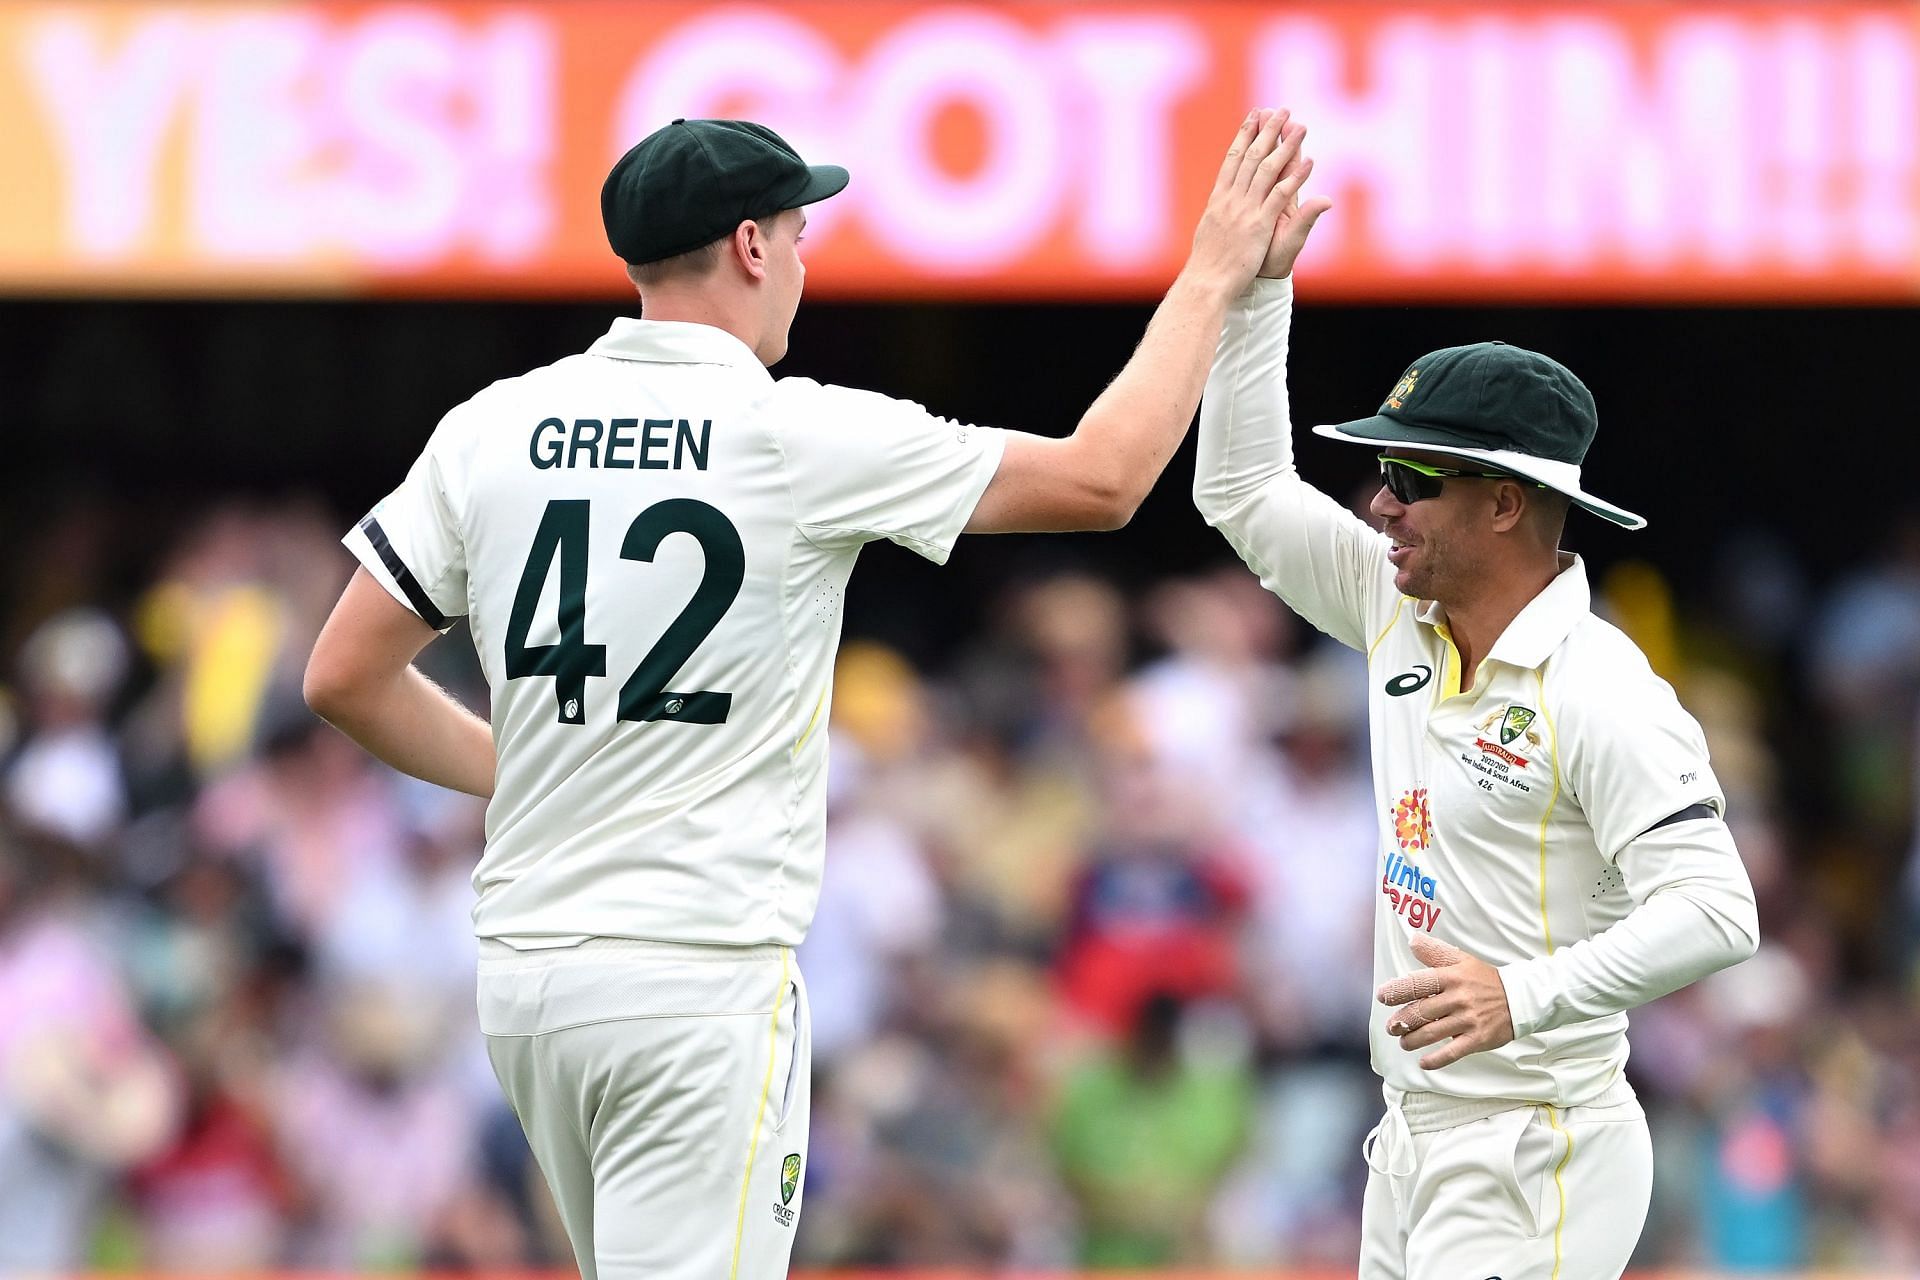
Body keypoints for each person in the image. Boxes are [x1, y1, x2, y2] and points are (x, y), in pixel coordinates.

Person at [302, 109, 1319, 1280]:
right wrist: (1213, 270)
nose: (800, 261)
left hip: (531, 984)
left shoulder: (495, 426)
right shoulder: (790, 430)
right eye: (796, 231)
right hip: (697, 984)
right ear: (746, 245)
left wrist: (532, 770)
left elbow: (345, 675)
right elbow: (1103, 477)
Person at [1191, 195, 1761, 1276]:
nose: (1377, 503)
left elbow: (1717, 911)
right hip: (1413, 1137)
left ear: (1504, 504)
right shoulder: (1398, 608)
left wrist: (1521, 993)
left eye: (1410, 478)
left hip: (1537, 1146)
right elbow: (1241, 489)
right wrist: (1260, 289)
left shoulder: (1601, 688)